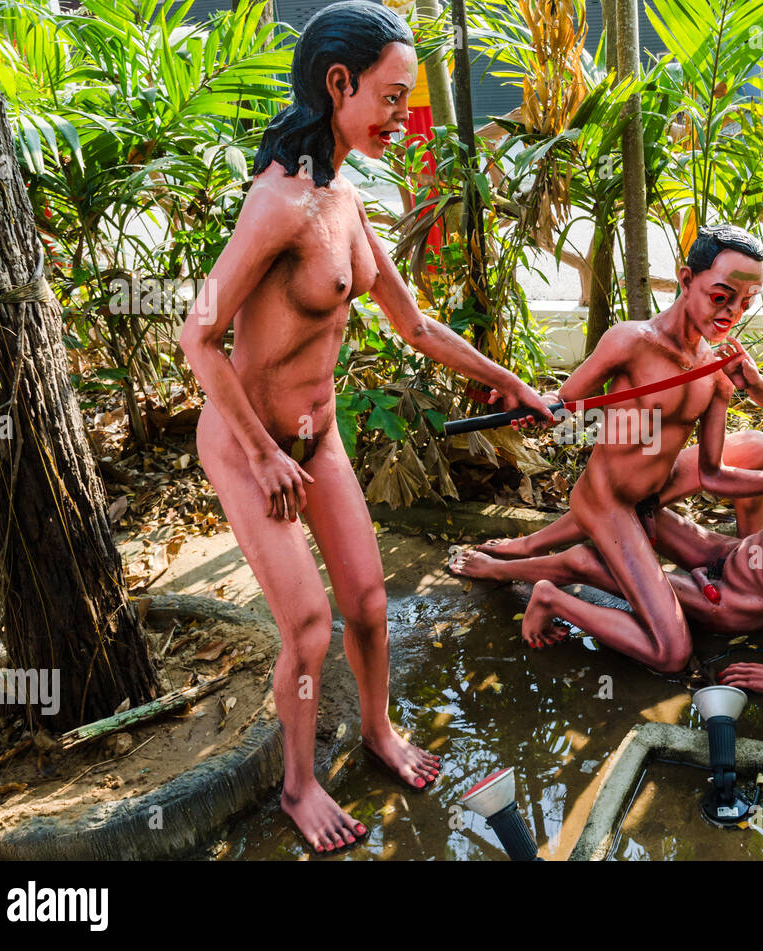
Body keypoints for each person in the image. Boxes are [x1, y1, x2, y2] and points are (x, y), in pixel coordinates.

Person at [179, 1, 551, 854]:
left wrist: (512, 383)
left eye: (406, 95)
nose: (401, 114)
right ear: (338, 84)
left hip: (320, 438)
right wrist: (265, 451)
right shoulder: (277, 204)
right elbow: (197, 333)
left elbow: (414, 324)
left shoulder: (343, 200)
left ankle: (379, 730)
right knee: (310, 627)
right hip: (249, 447)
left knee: (372, 605)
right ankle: (299, 785)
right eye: (390, 95)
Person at [450, 224, 763, 671]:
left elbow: (713, 475)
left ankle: (738, 558)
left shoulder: (715, 373)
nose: (731, 313)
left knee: (757, 446)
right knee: (673, 654)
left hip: (656, 488)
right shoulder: (632, 341)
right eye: (720, 297)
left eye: (744, 303)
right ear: (686, 279)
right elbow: (564, 403)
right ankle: (539, 582)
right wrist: (527, 405)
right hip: (610, 500)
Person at [453, 358, 763, 696]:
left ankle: (533, 586)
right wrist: (750, 382)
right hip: (725, 552)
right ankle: (525, 545)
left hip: (735, 602)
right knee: (631, 503)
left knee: (595, 558)